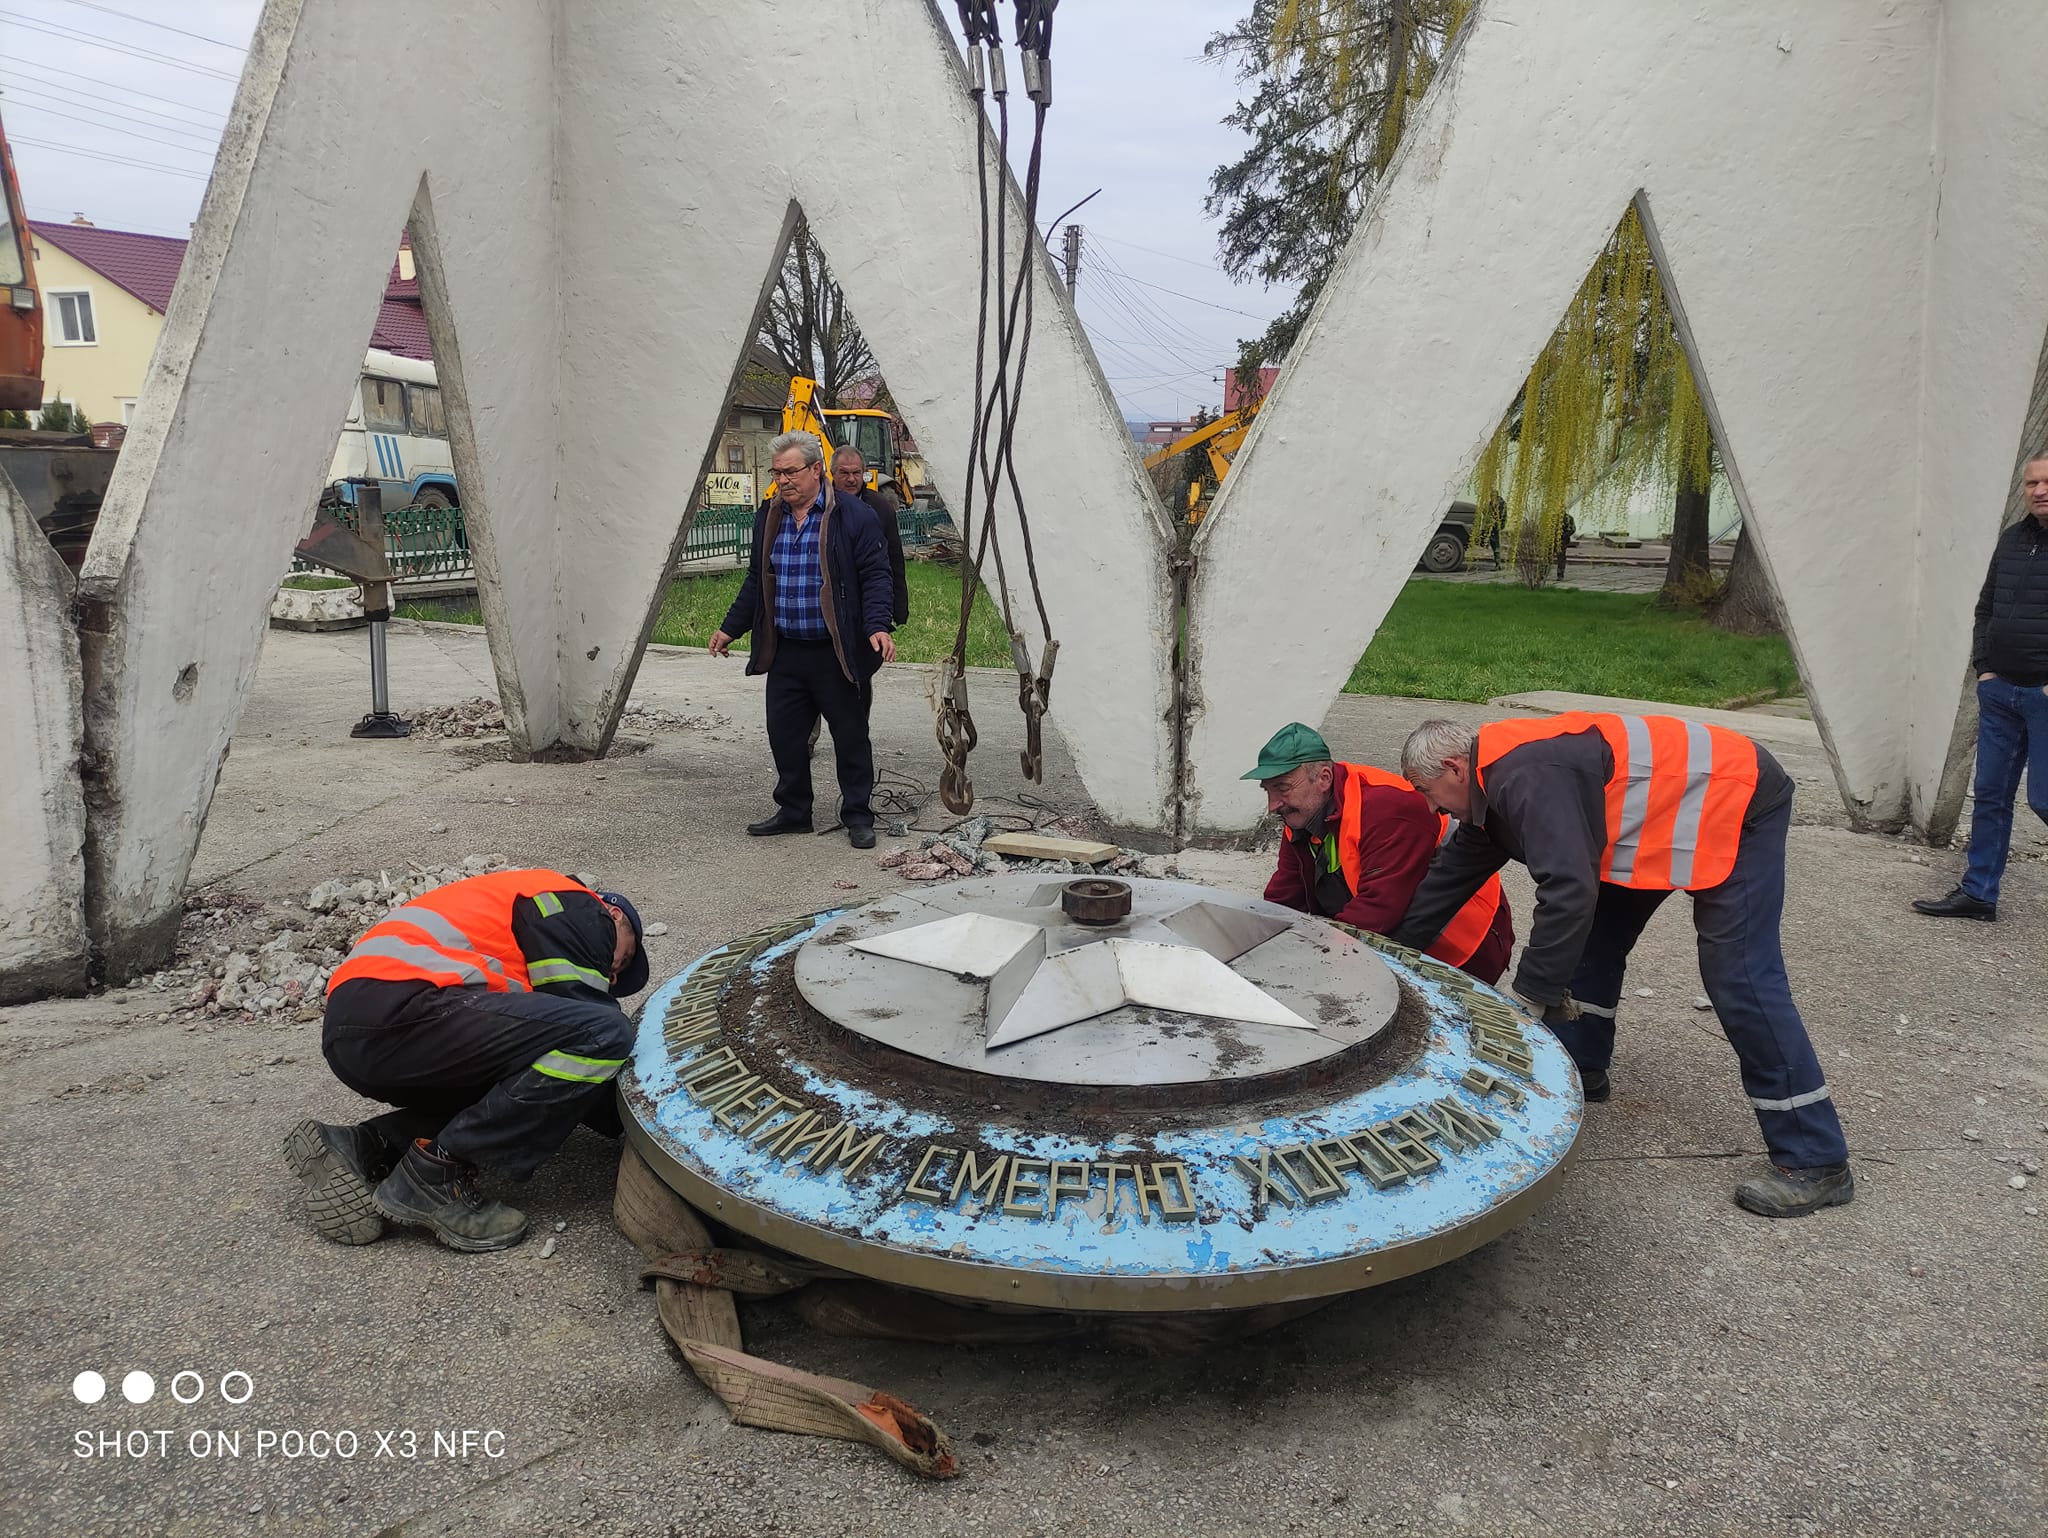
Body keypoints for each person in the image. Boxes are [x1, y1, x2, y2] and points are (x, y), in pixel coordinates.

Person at [1394, 713, 1853, 1219]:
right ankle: (1583, 1067)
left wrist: (1528, 999)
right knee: (1592, 941)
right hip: (1665, 810)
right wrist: (1391, 950)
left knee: (1740, 975)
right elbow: (1450, 876)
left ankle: (1815, 1158)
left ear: (1455, 768)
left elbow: (1567, 891)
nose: (1430, 806)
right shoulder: (1491, 788)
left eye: (1426, 790)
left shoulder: (1524, 777)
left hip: (1735, 797)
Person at [286, 869, 647, 1253]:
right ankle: (434, 1177)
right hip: (405, 1005)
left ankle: (367, 1145)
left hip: (355, 1026)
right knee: (606, 1033)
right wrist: (637, 1119)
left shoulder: (512, 907)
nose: (611, 976)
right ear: (616, 916)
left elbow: (558, 1063)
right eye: (622, 960)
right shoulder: (579, 906)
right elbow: (589, 1027)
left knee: (524, 1077)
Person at [711, 431, 896, 848]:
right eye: (777, 473)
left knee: (850, 737)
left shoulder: (853, 515)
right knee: (786, 736)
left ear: (816, 470)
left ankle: (858, 816)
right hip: (787, 650)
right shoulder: (770, 517)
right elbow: (757, 580)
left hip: (836, 652)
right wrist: (730, 628)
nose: (783, 481)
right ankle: (794, 812)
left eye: (790, 471)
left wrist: (877, 625)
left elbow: (876, 576)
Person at [1243, 722, 1514, 983]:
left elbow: (1377, 912)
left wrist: (1311, 960)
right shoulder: (1302, 814)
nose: (1272, 805)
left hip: (1466, 948)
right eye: (1268, 790)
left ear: (1324, 778)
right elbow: (1284, 898)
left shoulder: (1388, 809)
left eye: (1283, 788)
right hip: (1399, 939)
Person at [1913, 451, 2048, 922]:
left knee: (2043, 798)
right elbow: (1985, 607)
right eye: (2031, 483)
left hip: (2044, 696)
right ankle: (1979, 893)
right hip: (2001, 691)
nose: (2039, 491)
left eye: (2047, 482)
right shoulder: (2013, 541)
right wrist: (1984, 667)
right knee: (1991, 795)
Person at [831, 446, 910, 626]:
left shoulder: (881, 507)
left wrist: (899, 608)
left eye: (856, 473)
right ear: (832, 473)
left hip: (869, 600)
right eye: (844, 473)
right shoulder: (822, 506)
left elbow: (894, 559)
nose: (851, 479)